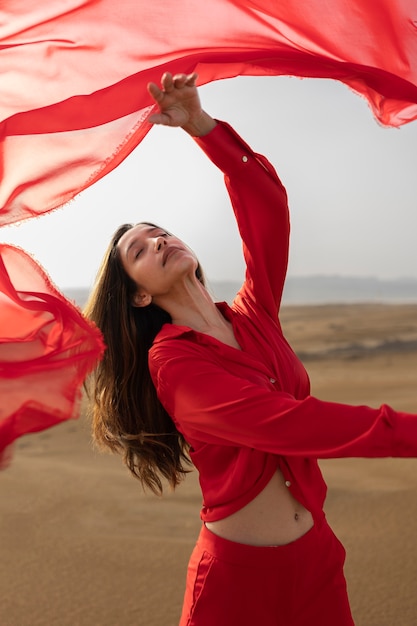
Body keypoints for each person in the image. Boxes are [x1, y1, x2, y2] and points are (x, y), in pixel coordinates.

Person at [84, 72, 417, 626]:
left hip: (317, 563)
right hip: (237, 586)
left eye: (160, 231)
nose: (159, 241)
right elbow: (285, 423)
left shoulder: (254, 315)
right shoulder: (172, 363)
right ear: (139, 293)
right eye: (140, 249)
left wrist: (202, 127)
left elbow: (267, 207)